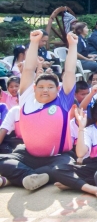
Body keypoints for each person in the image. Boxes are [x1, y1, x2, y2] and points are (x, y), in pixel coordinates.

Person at [0, 30, 78, 191]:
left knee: (64, 168)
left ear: (58, 89)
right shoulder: (26, 99)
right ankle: (30, 176)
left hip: (57, 158)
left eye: (50, 87)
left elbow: (69, 71)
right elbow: (28, 70)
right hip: (27, 156)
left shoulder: (63, 102)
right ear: (34, 88)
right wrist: (34, 42)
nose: (45, 90)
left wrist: (73, 45)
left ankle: (17, 178)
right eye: (41, 87)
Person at [50, 98, 97, 197]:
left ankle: (75, 184)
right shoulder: (89, 130)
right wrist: (81, 128)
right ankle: (91, 189)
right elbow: (80, 154)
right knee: (58, 170)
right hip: (93, 166)